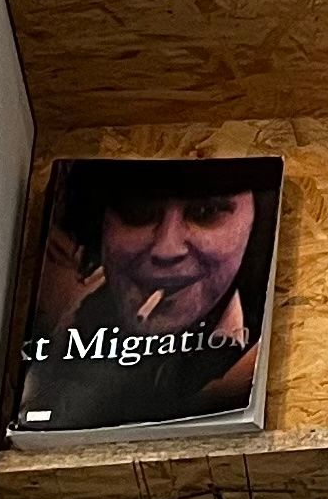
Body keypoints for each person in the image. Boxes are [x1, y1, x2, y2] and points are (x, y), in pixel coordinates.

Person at [24, 161, 275, 430]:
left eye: (205, 212)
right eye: (138, 212)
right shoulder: (61, 345)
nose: (167, 249)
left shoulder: (265, 358)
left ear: (255, 222)